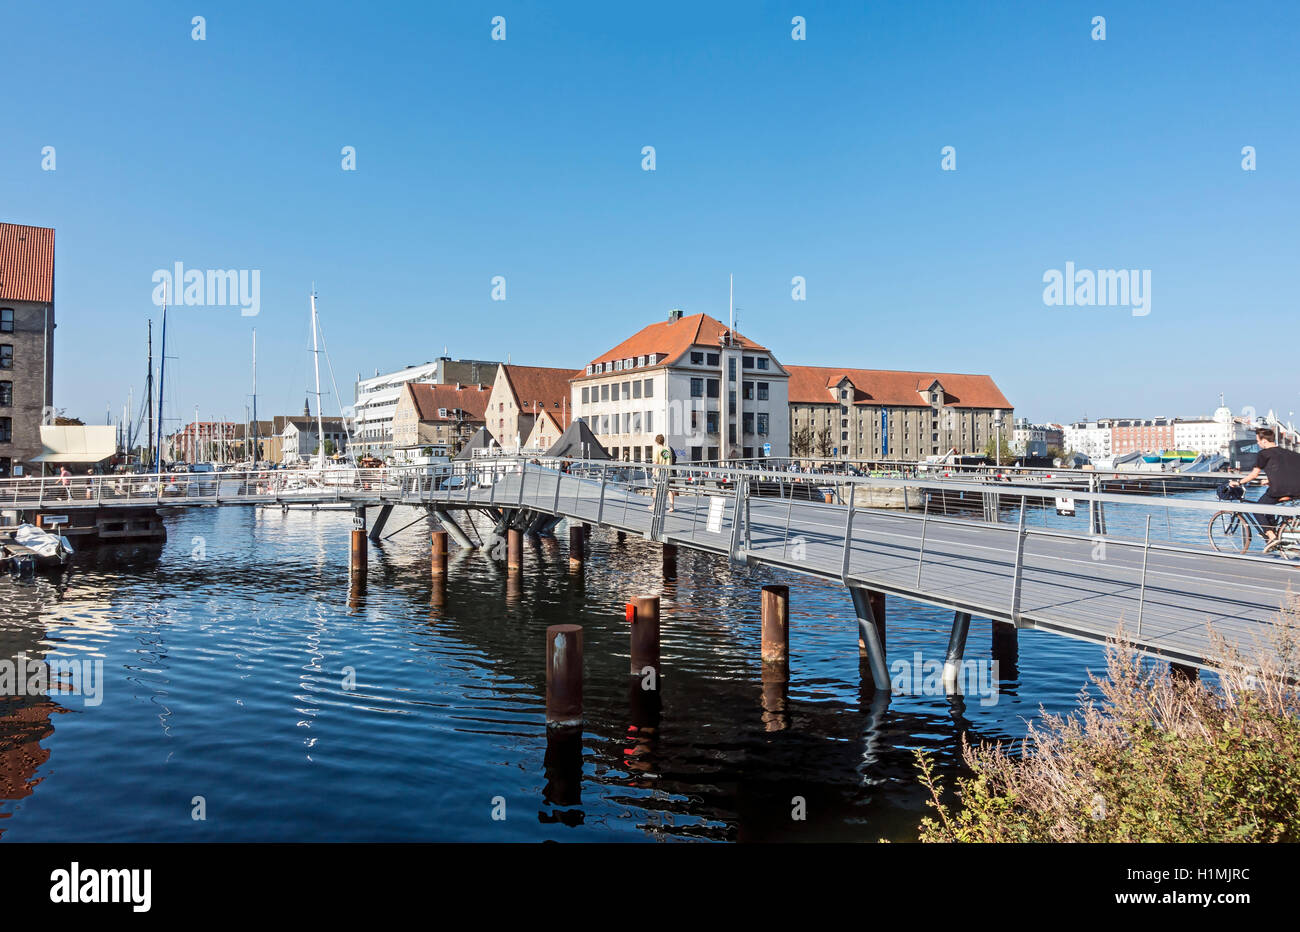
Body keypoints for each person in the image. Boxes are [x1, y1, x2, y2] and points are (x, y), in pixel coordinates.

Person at [1230, 428, 1300, 550]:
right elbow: (1287, 470)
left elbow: (1254, 475)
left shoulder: (1263, 454)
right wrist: (1270, 480)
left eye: (1258, 440)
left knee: (1257, 508)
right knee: (1269, 507)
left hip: (1280, 490)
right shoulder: (1289, 452)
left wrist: (1238, 482)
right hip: (1297, 490)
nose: (1257, 443)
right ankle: (1277, 532)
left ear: (1264, 441)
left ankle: (1271, 536)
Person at [651, 433, 676, 512]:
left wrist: (653, 471)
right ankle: (672, 506)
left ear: (657, 441)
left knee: (656, 489)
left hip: (660, 473)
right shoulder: (668, 448)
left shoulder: (657, 449)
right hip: (669, 472)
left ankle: (654, 505)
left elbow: (655, 462)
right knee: (669, 490)